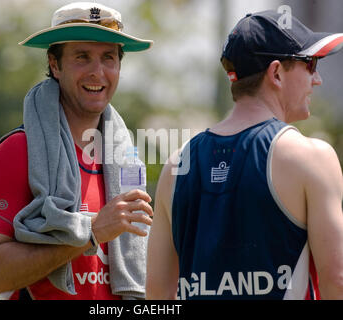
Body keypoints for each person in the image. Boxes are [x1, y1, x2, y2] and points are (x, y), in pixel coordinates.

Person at [146, 10, 343, 300]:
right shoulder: (310, 157)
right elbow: (336, 280)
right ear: (276, 73)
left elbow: (157, 293)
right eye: (310, 64)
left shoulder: (177, 165)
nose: (317, 80)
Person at [0, 2, 154, 300]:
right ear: (54, 65)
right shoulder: (17, 151)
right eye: (82, 57)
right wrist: (90, 233)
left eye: (109, 57)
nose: (98, 72)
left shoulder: (127, 157)